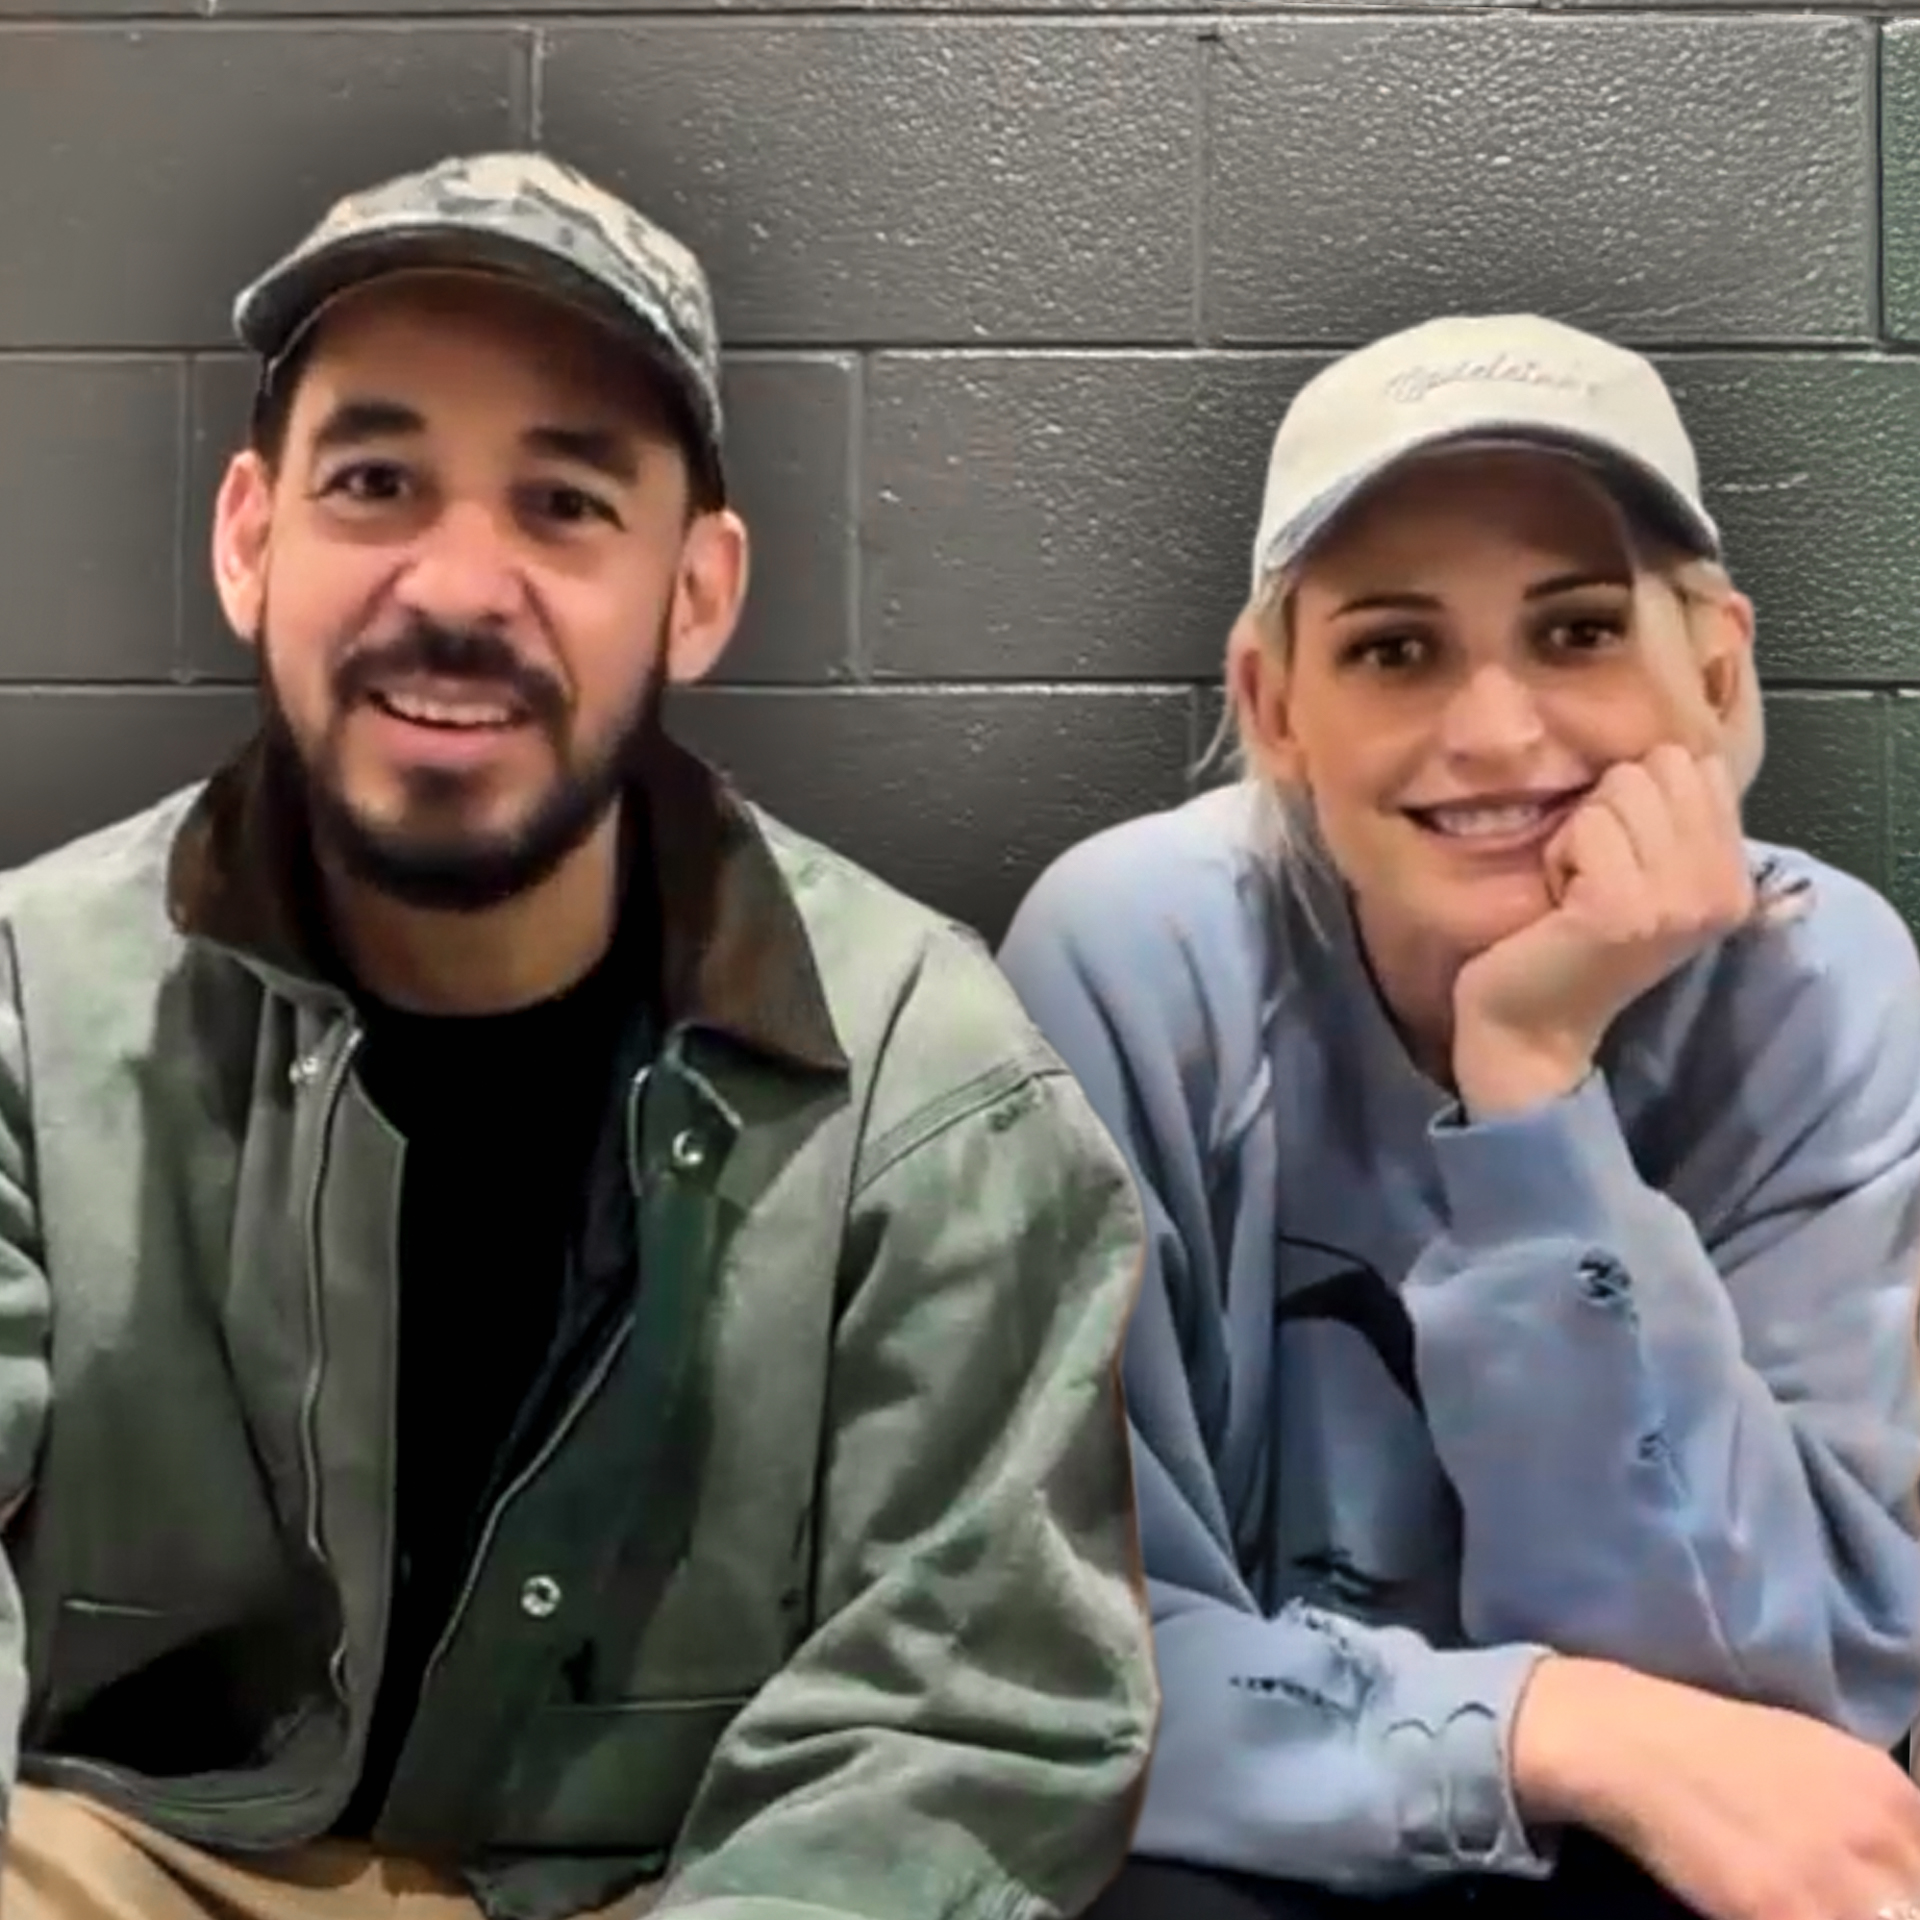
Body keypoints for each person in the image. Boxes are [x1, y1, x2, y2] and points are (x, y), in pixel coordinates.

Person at [0, 151, 1158, 1920]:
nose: (459, 587)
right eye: (375, 483)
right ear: (249, 538)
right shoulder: (28, 1010)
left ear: (697, 590)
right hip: (138, 1861)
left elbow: (968, 1728)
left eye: (564, 503)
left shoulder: (929, 1088)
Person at [995, 313, 1920, 1920]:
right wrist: (1543, 1731)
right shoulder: (1132, 960)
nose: (1495, 734)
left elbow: (1794, 1707)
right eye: (1394, 650)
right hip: (1259, 1858)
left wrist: (1532, 1082)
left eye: (1578, 632)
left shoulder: (1819, 983)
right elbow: (1063, 1666)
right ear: (1276, 702)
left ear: (1713, 671)